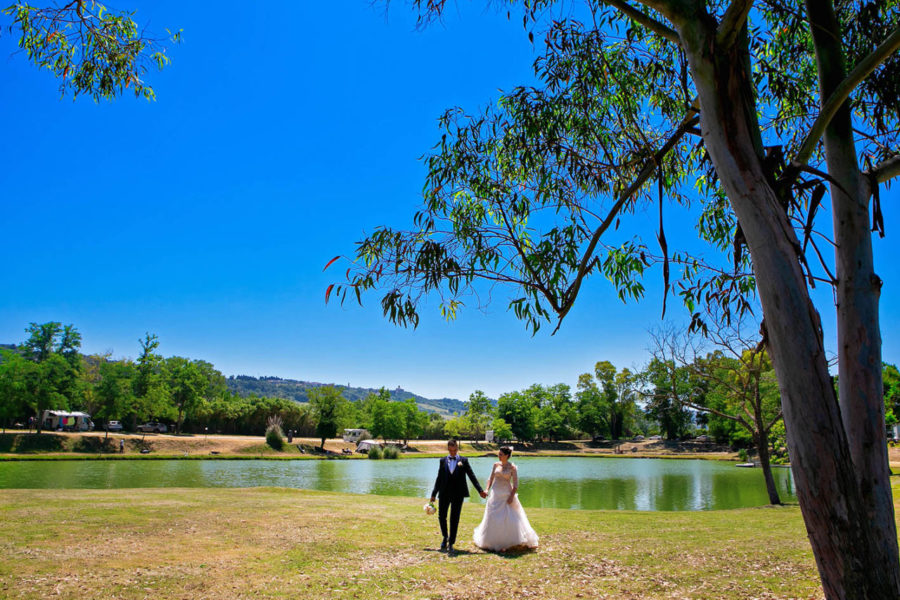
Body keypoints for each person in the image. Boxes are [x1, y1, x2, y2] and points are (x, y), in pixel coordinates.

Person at [472, 446, 539, 552]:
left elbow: (516, 484)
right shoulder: (495, 465)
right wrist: (486, 490)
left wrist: (511, 497)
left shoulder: (512, 467)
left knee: (510, 517)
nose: (499, 456)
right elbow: (490, 479)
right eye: (498, 454)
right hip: (495, 493)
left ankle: (509, 542)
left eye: (501, 454)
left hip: (507, 494)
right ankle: (491, 541)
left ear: (507, 456)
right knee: (493, 516)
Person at [430, 439, 487, 555]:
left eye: (455, 450)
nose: (453, 453)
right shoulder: (442, 461)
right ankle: (445, 537)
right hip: (444, 493)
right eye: (450, 450)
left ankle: (451, 542)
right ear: (448, 449)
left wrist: (480, 490)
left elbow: (472, 476)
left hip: (458, 494)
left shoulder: (464, 461)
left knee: (454, 519)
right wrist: (433, 494)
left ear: (457, 448)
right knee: (442, 517)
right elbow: (439, 478)